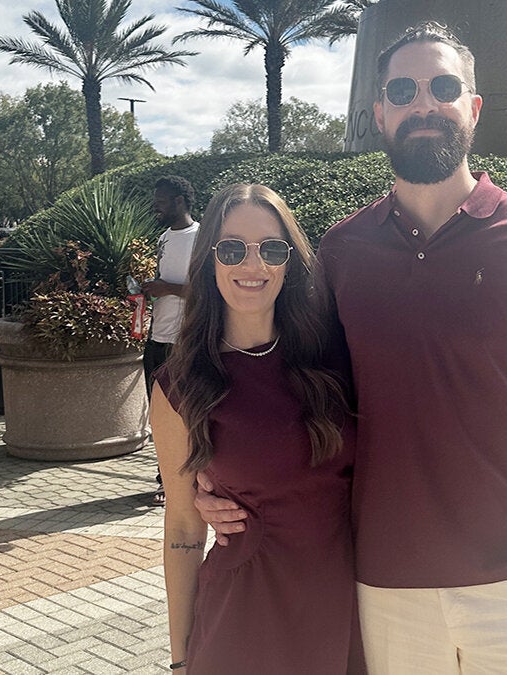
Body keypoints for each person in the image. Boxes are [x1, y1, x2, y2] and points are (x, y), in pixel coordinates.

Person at [198, 21, 507, 674]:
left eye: (443, 87)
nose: (424, 102)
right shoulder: (340, 254)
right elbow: (283, 390)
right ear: (379, 113)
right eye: (404, 89)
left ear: (472, 108)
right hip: (384, 591)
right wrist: (210, 474)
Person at [150, 183, 362, 673]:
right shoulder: (180, 385)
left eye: (270, 248)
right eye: (231, 249)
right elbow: (183, 527)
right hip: (244, 622)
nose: (253, 265)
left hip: (348, 610)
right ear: (209, 261)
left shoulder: (334, 361)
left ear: (289, 262)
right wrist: (181, 659)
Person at [144, 175, 199, 506]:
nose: (156, 207)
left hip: (186, 340)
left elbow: (211, 290)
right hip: (157, 337)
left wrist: (168, 288)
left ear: (179, 201)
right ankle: (165, 475)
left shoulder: (202, 238)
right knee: (160, 414)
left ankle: (180, 481)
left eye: (161, 201)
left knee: (185, 413)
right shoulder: (163, 238)